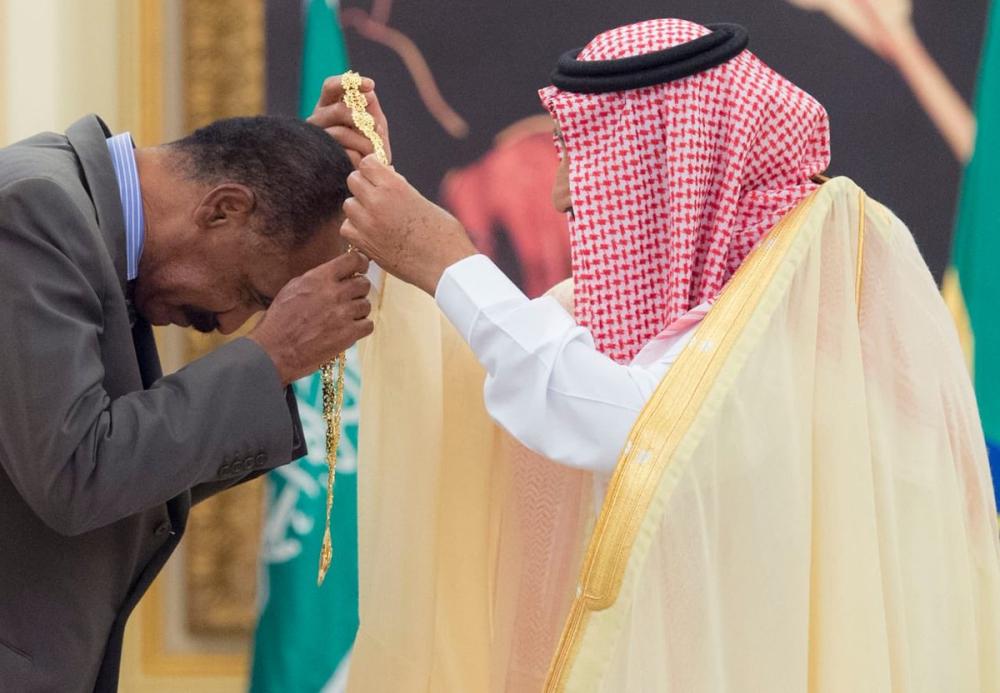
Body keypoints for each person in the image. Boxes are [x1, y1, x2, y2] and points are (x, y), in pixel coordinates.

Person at [336, 18, 1000, 692]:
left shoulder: (813, 290)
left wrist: (448, 261)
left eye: (583, 152)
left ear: (665, 161)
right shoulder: (671, 309)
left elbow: (642, 432)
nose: (562, 192)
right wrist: (383, 209)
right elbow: (486, 371)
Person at [0, 110, 376, 691]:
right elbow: (75, 472)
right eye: (252, 293)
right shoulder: (35, 209)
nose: (230, 325)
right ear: (223, 208)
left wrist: (299, 171)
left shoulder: (75, 217)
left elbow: (119, 478)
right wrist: (268, 357)